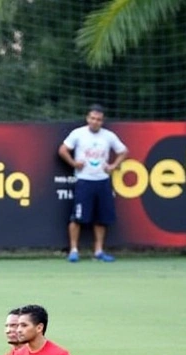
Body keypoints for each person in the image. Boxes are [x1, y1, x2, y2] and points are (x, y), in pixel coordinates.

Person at [59, 104, 127, 263]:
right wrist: (74, 163)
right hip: (84, 181)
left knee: (101, 218)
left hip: (102, 181)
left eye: (99, 119)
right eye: (93, 118)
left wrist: (113, 166)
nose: (95, 122)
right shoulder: (78, 134)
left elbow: (123, 151)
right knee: (77, 217)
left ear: (102, 121)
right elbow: (63, 149)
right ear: (88, 118)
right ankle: (74, 250)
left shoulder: (108, 136)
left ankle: (98, 251)